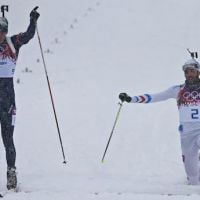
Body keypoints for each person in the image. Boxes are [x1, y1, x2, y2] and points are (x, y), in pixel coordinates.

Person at [119, 59, 200, 185]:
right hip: (186, 134)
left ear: (198, 72)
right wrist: (131, 99)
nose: (189, 74)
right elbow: (154, 97)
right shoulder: (177, 90)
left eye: (192, 71)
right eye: (187, 72)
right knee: (192, 174)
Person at [0, 7, 40, 190]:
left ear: (6, 31)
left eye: (2, 31)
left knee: (8, 138)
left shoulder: (12, 42)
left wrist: (33, 20)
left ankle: (11, 173)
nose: (0, 34)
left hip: (7, 99)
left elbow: (29, 35)